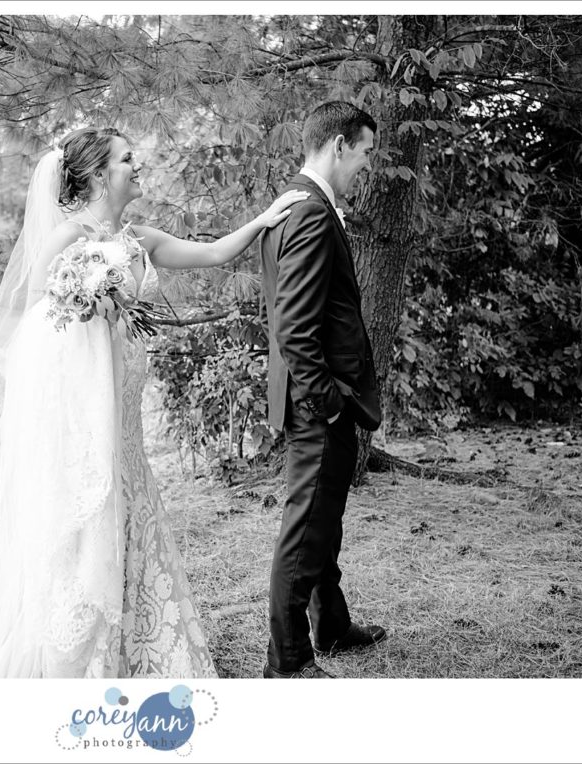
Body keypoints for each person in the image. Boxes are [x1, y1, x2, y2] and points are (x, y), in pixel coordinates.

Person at [0, 127, 307, 678]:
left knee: (131, 496)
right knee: (93, 514)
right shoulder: (65, 240)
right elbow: (41, 335)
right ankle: (84, 647)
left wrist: (265, 218)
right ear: (98, 175)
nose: (137, 166)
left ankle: (142, 642)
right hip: (88, 416)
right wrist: (89, 308)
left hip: (128, 415)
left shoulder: (138, 237)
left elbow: (212, 252)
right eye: (127, 159)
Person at [258, 101, 386, 679]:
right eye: (363, 153)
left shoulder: (296, 203)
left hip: (315, 398)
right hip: (317, 404)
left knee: (324, 518)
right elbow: (293, 326)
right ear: (339, 145)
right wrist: (327, 404)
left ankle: (330, 624)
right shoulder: (309, 212)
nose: (365, 166)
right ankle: (288, 662)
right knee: (305, 528)